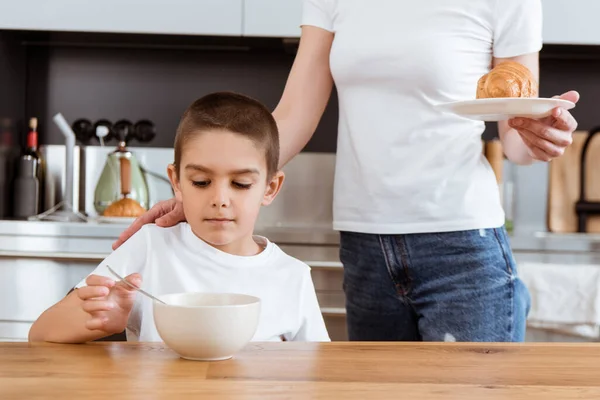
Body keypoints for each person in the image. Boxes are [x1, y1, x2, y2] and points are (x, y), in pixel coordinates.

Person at [114, 0, 580, 342]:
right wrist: (203, 193)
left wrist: (544, 135)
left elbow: (516, 132)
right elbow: (293, 114)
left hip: (461, 245)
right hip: (364, 247)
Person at [28, 92, 330, 343]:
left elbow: (318, 373)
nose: (220, 200)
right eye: (201, 181)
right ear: (176, 182)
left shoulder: (292, 277)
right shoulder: (148, 248)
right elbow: (40, 335)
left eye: (240, 184)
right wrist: (99, 320)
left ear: (270, 187)